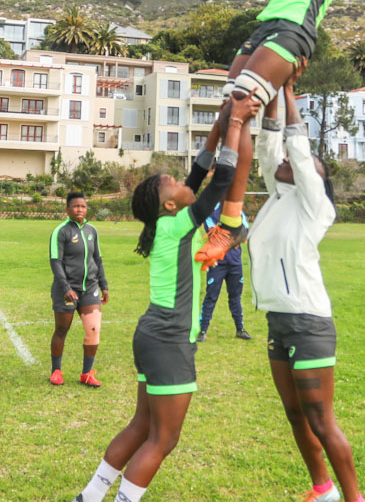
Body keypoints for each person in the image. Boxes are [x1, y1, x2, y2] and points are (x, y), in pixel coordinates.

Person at [69, 94, 260, 502]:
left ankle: (89, 496)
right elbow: (220, 182)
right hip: (170, 339)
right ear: (171, 204)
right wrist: (238, 125)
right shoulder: (176, 226)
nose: (181, 181)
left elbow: (197, 175)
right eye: (173, 184)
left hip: (153, 336)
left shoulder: (169, 221)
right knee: (163, 439)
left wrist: (217, 127)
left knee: (142, 426)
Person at [197, 0, 354, 265]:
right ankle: (194, 185)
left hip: (292, 34)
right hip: (264, 29)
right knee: (229, 104)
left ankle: (231, 223)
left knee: (244, 104)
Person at [250, 83, 363, 502]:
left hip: (308, 322)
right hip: (278, 321)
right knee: (295, 414)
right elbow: (269, 147)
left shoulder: (315, 206)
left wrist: (290, 88)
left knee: (321, 419)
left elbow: (297, 152)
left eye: (302, 164)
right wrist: (272, 94)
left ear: (314, 177)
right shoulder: (280, 197)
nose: (287, 163)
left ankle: (354, 499)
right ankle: (324, 490)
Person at [50, 192, 109, 388]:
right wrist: (66, 287)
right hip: (66, 290)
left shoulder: (92, 230)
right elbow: (55, 261)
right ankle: (56, 371)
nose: (80, 210)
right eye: (75, 206)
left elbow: (97, 259)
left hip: (89, 288)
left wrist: (104, 285)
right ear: (67, 210)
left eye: (83, 206)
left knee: (93, 329)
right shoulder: (61, 231)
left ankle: (86, 373)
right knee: (61, 329)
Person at [197, 234, 250, 343]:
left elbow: (243, 234)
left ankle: (240, 329)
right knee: (211, 296)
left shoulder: (240, 217)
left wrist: (225, 241)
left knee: (236, 297)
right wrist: (231, 239)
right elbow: (214, 235)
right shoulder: (212, 216)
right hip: (216, 263)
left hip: (235, 263)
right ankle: (203, 330)